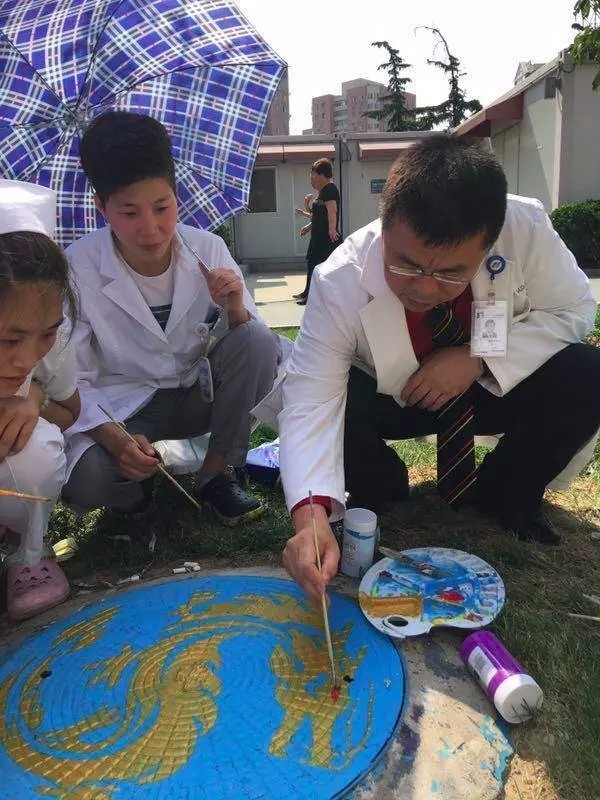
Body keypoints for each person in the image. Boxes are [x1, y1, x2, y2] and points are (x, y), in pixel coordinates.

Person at [276, 134, 600, 602]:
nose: (425, 290)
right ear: (385, 225)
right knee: (312, 390)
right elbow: (312, 398)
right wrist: (310, 514)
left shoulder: (524, 227)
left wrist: (479, 358)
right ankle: (380, 485)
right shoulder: (340, 277)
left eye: (451, 273)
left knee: (587, 372)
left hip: (489, 388)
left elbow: (573, 311)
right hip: (396, 396)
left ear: (489, 244)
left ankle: (507, 493)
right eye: (404, 265)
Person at [61, 111, 280, 525]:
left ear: (176, 195)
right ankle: (134, 492)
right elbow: (72, 380)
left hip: (197, 396)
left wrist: (234, 306)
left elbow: (253, 353)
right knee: (88, 479)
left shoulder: (207, 249)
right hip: (126, 406)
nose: (151, 229)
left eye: (162, 207)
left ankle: (217, 473)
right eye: (130, 213)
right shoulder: (77, 267)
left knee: (258, 339)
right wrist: (115, 440)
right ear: (101, 206)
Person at [0, 180, 80, 621]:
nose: (27, 358)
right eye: (9, 339)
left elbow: (69, 412)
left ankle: (27, 553)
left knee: (36, 452)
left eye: (46, 333)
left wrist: (34, 399)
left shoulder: (56, 339)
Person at [293, 158, 341, 305]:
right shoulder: (322, 192)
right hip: (318, 237)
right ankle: (307, 292)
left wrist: (332, 229)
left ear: (322, 175)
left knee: (319, 268)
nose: (311, 180)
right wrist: (308, 224)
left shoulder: (330, 189)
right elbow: (318, 215)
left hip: (326, 239)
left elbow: (332, 211)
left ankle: (312, 297)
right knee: (312, 265)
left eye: (313, 176)